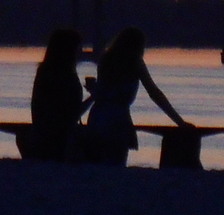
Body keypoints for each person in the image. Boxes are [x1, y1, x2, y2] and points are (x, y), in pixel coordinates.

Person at [81, 26, 188, 166]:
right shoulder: (135, 62)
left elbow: (104, 92)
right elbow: (154, 93)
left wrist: (94, 90)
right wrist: (179, 122)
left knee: (97, 162)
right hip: (118, 118)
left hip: (98, 115)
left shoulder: (106, 59)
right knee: (116, 162)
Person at [24, 28, 87, 161]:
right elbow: (72, 114)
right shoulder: (67, 77)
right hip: (60, 141)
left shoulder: (44, 72)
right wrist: (95, 96)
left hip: (41, 135)